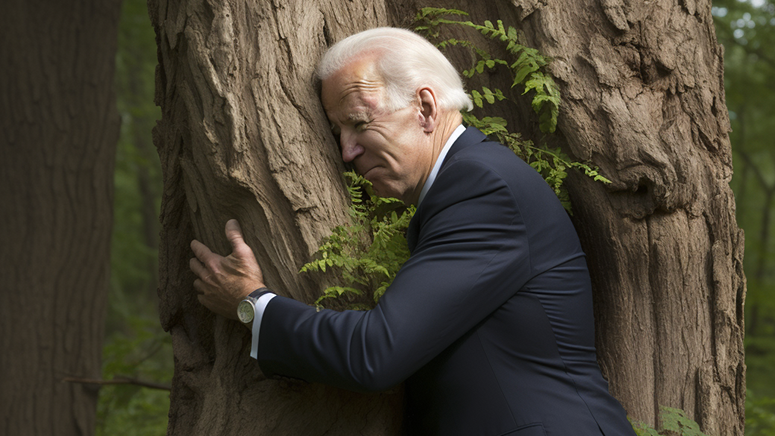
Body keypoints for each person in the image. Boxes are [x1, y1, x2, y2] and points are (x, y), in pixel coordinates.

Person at [189, 27, 636, 436]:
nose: (347, 151)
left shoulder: (482, 187)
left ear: (425, 108)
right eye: (338, 132)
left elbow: (376, 353)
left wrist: (252, 305)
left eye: (360, 123)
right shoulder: (469, 184)